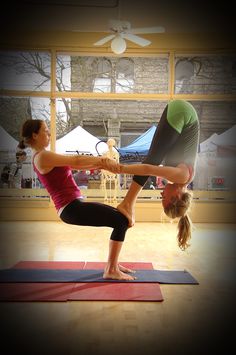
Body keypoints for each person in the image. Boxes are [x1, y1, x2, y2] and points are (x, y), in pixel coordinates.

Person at [18, 119, 135, 280]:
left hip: (73, 206)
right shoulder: (42, 157)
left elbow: (77, 165)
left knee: (121, 220)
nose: (49, 133)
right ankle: (111, 269)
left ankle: (112, 264)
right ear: (35, 135)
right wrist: (102, 161)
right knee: (121, 221)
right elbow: (75, 160)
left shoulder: (44, 156)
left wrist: (101, 164)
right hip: (70, 209)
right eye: (46, 130)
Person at [116, 99, 200, 250]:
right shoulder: (181, 177)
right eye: (164, 197)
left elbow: (149, 168)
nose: (161, 193)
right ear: (176, 196)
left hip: (183, 113)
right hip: (184, 114)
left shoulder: (179, 179)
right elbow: (148, 168)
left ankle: (128, 203)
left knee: (153, 159)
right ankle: (128, 203)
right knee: (152, 160)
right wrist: (120, 168)